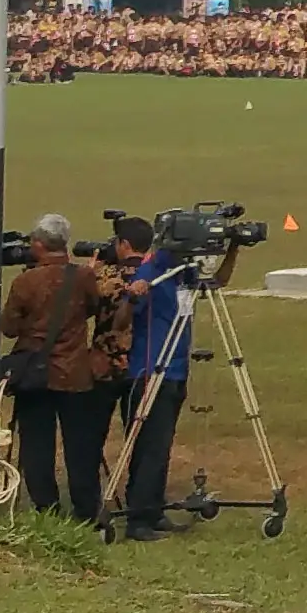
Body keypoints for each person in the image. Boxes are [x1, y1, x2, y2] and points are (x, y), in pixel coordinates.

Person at [0, 211, 125, 527]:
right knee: (81, 445)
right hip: (75, 373)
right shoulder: (82, 277)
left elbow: (9, 328)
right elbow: (95, 308)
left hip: (35, 376)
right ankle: (86, 508)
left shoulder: (25, 281)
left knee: (37, 445)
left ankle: (46, 507)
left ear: (39, 245)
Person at [109, 218, 222, 537]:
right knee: (149, 448)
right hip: (150, 371)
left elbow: (218, 281)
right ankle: (139, 519)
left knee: (162, 446)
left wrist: (231, 248)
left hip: (176, 370)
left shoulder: (184, 271)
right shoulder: (151, 272)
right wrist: (132, 297)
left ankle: (153, 508)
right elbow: (120, 323)